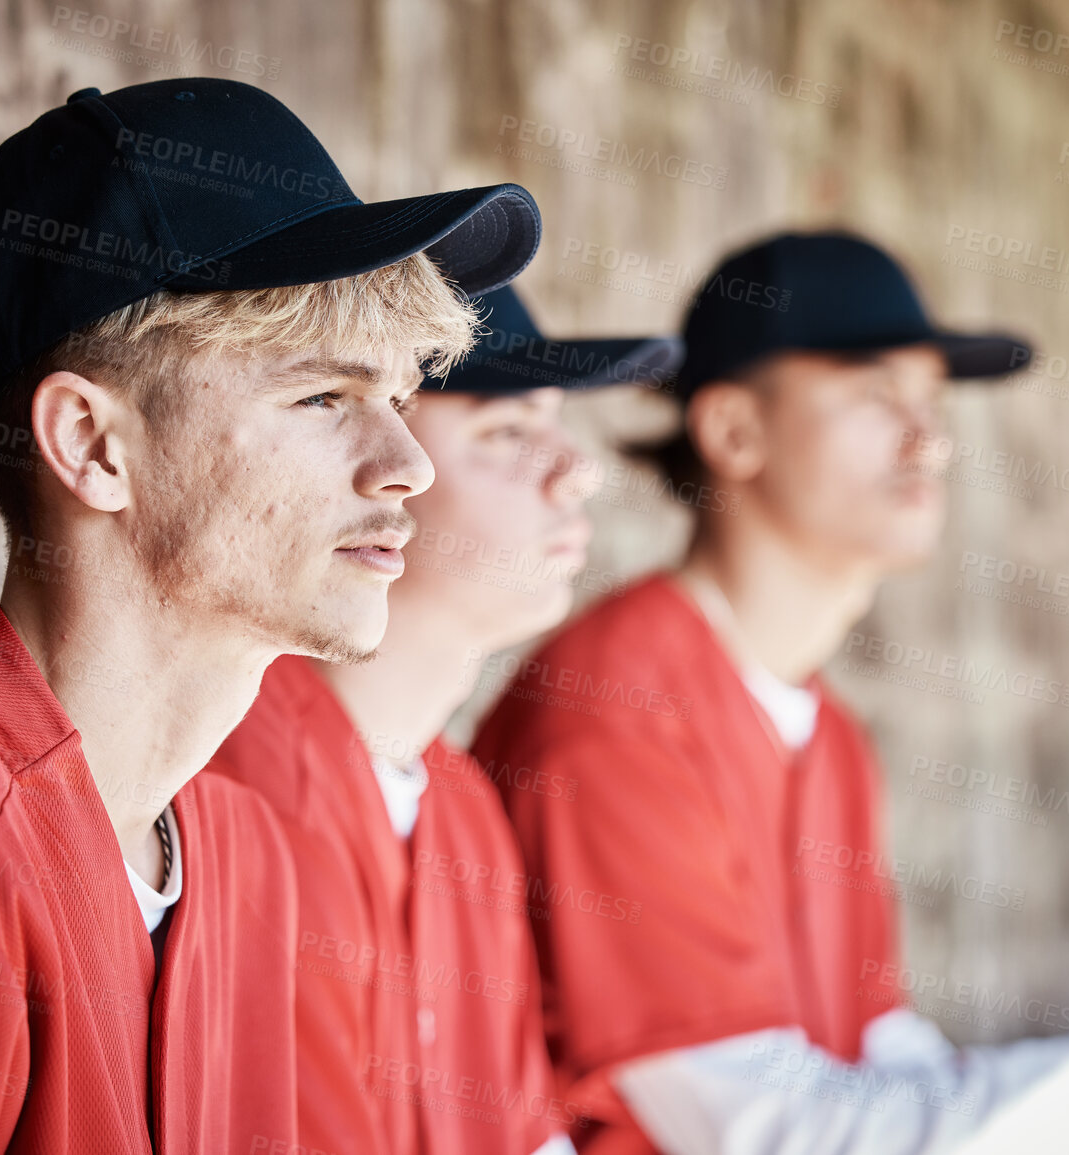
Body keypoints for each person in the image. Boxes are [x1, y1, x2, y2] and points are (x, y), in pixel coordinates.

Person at [0, 78, 539, 1154]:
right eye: (322, 398)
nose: (406, 467)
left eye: (397, 400)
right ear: (90, 446)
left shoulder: (241, 853)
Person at [472, 233, 1069, 1155]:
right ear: (734, 431)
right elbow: (759, 1132)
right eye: (873, 394)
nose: (927, 438)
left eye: (931, 399)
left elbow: (875, 1053)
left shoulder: (829, 733)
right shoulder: (610, 715)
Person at [209, 283, 680, 1155]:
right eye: (505, 431)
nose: (575, 468)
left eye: (553, 423)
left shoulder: (464, 812)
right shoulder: (228, 777)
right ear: (386, 467)